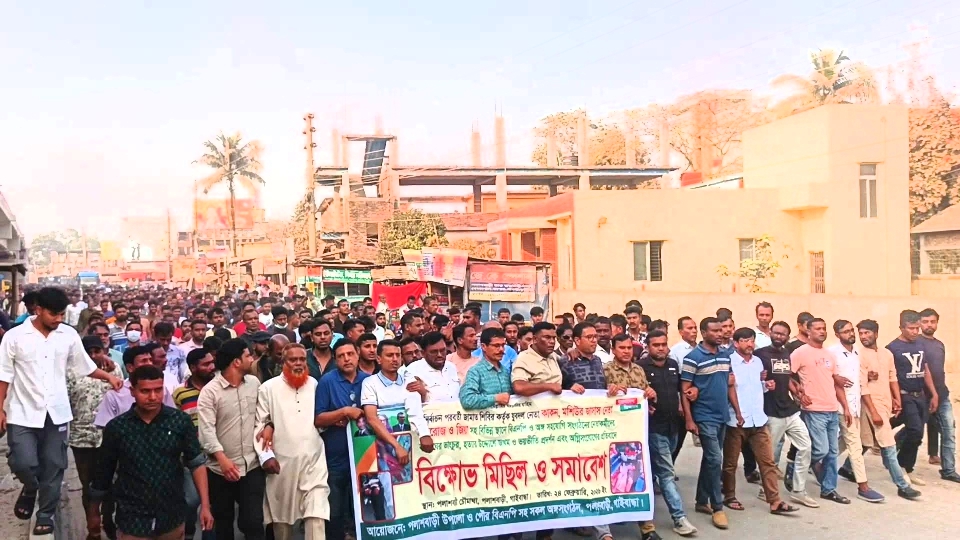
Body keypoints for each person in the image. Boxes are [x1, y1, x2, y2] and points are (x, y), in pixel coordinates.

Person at [0, 287, 123, 536]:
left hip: (56, 413)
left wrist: (109, 376)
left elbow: (84, 366)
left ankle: (45, 515)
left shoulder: (68, 335)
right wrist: (0, 409)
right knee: (23, 462)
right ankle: (30, 487)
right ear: (38, 310)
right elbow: (3, 375)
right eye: (53, 314)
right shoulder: (14, 336)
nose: (58, 319)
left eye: (62, 314)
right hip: (21, 411)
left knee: (54, 466)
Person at [92, 366, 214, 540]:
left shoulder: (179, 421)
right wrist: (94, 512)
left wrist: (205, 506)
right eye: (145, 391)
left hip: (171, 515)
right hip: (132, 518)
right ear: (132, 391)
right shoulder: (117, 428)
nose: (153, 397)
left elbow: (196, 463)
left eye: (158, 390)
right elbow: (104, 473)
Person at [255, 343, 330, 540]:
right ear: (283, 362)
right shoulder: (268, 388)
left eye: (302, 359)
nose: (298, 363)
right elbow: (260, 425)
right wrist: (266, 456)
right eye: (293, 359)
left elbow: (320, 418)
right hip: (282, 465)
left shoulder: (314, 384)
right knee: (282, 522)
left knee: (317, 514)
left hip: (314, 460)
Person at [721, 328, 799, 516]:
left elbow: (756, 387)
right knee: (730, 463)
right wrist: (737, 412)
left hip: (758, 420)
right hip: (736, 421)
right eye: (745, 341)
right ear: (736, 343)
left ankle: (774, 501)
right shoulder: (728, 362)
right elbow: (727, 389)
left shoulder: (757, 362)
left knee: (768, 462)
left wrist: (766, 385)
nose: (749, 344)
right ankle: (729, 496)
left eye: (751, 340)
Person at [198, 338, 266, 540]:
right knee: (224, 524)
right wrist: (222, 459)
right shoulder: (210, 392)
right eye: (248, 356)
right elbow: (206, 431)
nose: (251, 359)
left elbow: (263, 414)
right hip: (220, 470)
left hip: (251, 466)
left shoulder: (254, 383)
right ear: (236, 362)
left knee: (254, 522)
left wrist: (269, 427)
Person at [633, 332, 696, 537]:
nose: (660, 348)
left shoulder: (672, 364)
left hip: (673, 427)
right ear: (648, 346)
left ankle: (643, 509)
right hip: (653, 428)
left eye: (663, 344)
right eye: (656, 345)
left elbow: (680, 391)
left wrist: (686, 412)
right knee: (667, 474)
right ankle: (679, 518)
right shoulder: (640, 367)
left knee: (654, 470)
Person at [511, 322, 568, 540]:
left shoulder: (553, 358)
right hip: (530, 431)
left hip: (553, 429)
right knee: (527, 482)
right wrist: (547, 387)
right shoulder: (524, 358)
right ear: (534, 339)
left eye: (553, 337)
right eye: (546, 337)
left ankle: (545, 533)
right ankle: (515, 532)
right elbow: (519, 387)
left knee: (550, 482)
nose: (551, 341)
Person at [753, 321, 817, 507]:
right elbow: (751, 376)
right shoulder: (760, 354)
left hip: (789, 409)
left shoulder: (787, 353)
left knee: (805, 446)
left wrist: (797, 391)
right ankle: (765, 490)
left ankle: (798, 490)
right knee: (770, 455)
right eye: (775, 333)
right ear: (771, 334)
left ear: (787, 337)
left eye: (782, 334)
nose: (778, 336)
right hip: (771, 412)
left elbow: (786, 377)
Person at [67, 335, 125, 540]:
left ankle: (108, 520)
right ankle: (93, 527)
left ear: (104, 351)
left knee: (111, 483)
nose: (93, 355)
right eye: (88, 352)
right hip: (82, 438)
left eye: (97, 351)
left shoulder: (114, 370)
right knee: (89, 485)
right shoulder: (71, 372)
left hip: (110, 438)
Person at [856, 319, 921, 500]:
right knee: (888, 445)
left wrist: (897, 400)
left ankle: (842, 468)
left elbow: (892, 378)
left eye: (867, 333)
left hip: (884, 403)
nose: (863, 337)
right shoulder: (859, 355)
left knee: (862, 442)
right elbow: (862, 386)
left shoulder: (886, 354)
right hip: (870, 404)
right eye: (861, 333)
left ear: (876, 334)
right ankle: (902, 486)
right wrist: (874, 412)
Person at [791, 317, 852, 505]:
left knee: (832, 453)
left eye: (823, 328)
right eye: (817, 328)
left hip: (832, 409)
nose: (822, 331)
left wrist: (845, 407)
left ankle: (828, 489)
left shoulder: (829, 355)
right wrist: (799, 395)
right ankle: (795, 467)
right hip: (813, 409)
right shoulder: (800, 353)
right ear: (808, 331)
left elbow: (835, 382)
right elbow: (787, 376)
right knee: (821, 450)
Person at [680, 317, 731, 530]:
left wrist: (736, 412)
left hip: (722, 415)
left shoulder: (725, 355)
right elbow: (685, 390)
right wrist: (689, 419)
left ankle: (701, 500)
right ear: (704, 333)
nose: (720, 334)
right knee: (715, 459)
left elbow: (729, 385)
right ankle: (717, 507)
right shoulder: (693, 358)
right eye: (715, 331)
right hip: (704, 416)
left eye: (721, 330)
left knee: (710, 459)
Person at [316, 340, 369, 540]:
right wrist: (343, 412)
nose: (346, 359)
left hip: (365, 455)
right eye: (341, 356)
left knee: (364, 509)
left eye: (350, 354)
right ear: (335, 359)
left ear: (357, 354)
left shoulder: (368, 380)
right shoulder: (327, 382)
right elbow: (318, 418)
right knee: (335, 512)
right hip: (336, 457)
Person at [830, 320, 884, 502]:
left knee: (845, 441)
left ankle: (818, 462)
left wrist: (869, 375)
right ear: (837, 335)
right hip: (841, 406)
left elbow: (856, 377)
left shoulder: (857, 353)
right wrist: (845, 406)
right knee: (855, 445)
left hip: (856, 405)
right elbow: (832, 379)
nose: (851, 334)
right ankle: (863, 486)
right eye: (846, 331)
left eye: (851, 330)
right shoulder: (833, 353)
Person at [887, 310, 939, 487]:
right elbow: (889, 376)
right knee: (915, 430)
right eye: (911, 328)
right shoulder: (892, 348)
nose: (915, 332)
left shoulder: (920, 344)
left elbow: (925, 369)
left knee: (916, 434)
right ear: (901, 327)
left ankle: (908, 468)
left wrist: (933, 393)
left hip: (920, 395)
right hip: (904, 395)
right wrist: (894, 397)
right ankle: (901, 466)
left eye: (917, 328)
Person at [360, 339, 435, 462]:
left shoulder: (408, 380)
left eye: (398, 355)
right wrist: (396, 446)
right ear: (379, 359)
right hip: (382, 446)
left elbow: (416, 411)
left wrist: (424, 433)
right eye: (390, 355)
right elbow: (372, 418)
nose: (395, 359)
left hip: (411, 443)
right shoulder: (370, 383)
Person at [918, 308, 959, 482]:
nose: (929, 325)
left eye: (932, 322)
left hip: (942, 396)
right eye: (925, 322)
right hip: (921, 396)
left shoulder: (939, 344)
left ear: (937, 323)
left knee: (949, 431)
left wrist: (939, 392)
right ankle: (891, 452)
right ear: (919, 323)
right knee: (912, 430)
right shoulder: (916, 344)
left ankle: (948, 470)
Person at [460, 328, 512, 410]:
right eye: (496, 346)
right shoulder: (475, 372)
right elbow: (467, 400)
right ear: (483, 347)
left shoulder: (505, 371)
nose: (501, 349)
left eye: (503, 345)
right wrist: (495, 398)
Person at [405, 331, 460, 402]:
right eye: (434, 352)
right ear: (423, 353)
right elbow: (412, 401)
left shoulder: (451, 367)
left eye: (442, 350)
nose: (439, 355)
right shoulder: (413, 370)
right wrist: (424, 394)